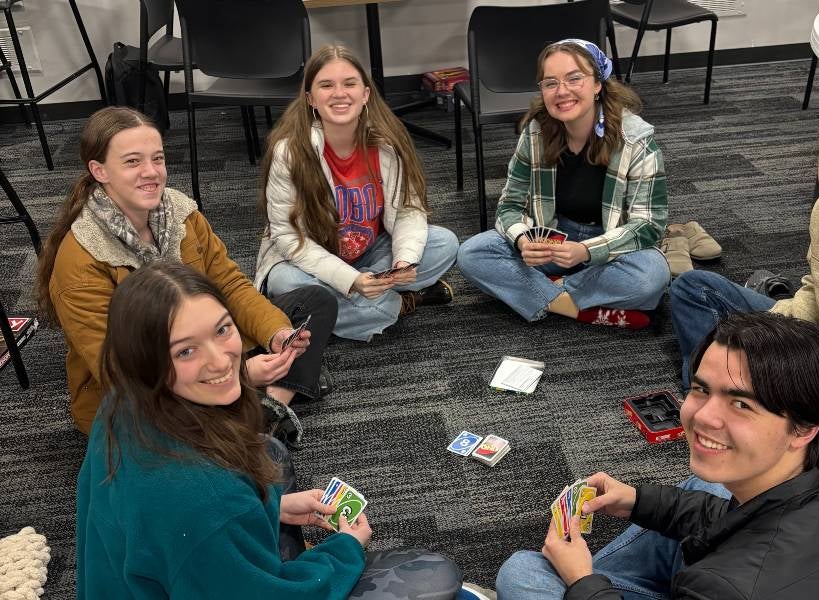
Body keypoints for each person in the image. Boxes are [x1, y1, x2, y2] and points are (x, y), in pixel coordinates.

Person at [76, 262, 462, 598]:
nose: (221, 361)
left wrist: (272, 507)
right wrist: (344, 549)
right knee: (433, 574)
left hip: (169, 571)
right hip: (212, 558)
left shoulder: (120, 405)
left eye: (222, 330)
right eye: (185, 351)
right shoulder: (206, 499)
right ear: (147, 362)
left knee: (269, 453)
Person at [495, 312, 819, 599]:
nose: (702, 416)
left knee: (525, 573)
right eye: (701, 389)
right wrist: (636, 500)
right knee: (710, 483)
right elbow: (737, 521)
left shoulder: (725, 585)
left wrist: (583, 582)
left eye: (742, 405)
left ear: (804, 428)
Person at [34, 107, 337, 435]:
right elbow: (121, 372)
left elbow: (230, 286)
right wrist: (238, 374)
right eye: (133, 162)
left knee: (315, 303)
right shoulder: (79, 262)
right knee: (246, 468)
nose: (151, 172)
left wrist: (276, 334)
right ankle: (258, 405)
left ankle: (270, 406)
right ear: (99, 170)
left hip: (204, 343)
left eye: (158, 158)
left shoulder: (182, 214)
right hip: (144, 389)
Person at [669, 97, 819, 458]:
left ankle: (741, 400)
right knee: (692, 288)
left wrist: (803, 361)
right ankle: (727, 392)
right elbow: (816, 285)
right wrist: (777, 325)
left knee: (776, 448)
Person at [456, 39, 669, 330]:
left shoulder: (637, 140)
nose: (562, 91)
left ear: (597, 84)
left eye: (574, 78)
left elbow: (649, 225)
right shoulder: (535, 132)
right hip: (552, 242)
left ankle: (540, 293)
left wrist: (586, 251)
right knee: (472, 254)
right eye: (550, 83)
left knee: (651, 276)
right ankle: (576, 307)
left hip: (611, 245)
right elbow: (509, 205)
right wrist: (523, 240)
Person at [254, 44, 459, 342]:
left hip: (370, 256)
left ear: (365, 94)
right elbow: (289, 239)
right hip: (309, 262)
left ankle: (346, 310)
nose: (339, 93)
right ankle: (399, 305)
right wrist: (350, 281)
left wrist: (403, 261)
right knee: (284, 283)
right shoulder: (289, 152)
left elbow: (407, 211)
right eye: (326, 85)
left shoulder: (388, 142)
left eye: (349, 84)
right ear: (310, 98)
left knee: (445, 244)